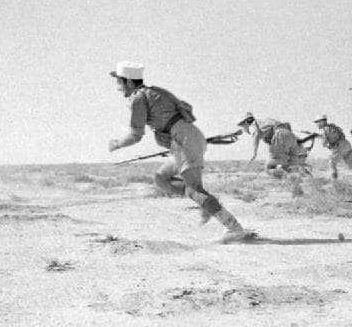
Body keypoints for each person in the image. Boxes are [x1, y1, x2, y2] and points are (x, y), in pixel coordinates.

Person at [108, 62, 252, 243]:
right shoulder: (155, 92)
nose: (118, 88)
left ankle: (234, 228)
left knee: (194, 190)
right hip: (185, 139)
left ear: (128, 82)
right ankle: (207, 203)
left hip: (185, 141)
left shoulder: (139, 98)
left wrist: (116, 144)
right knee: (161, 178)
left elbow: (136, 135)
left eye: (119, 83)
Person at [237, 113, 309, 176]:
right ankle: (309, 179)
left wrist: (254, 153)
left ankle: (290, 179)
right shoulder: (265, 121)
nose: (243, 130)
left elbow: (256, 135)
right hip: (290, 135)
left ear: (246, 122)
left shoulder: (253, 124)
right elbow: (287, 126)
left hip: (279, 135)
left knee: (269, 168)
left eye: (242, 126)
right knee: (289, 166)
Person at [312, 115, 352, 180]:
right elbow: (334, 136)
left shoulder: (324, 130)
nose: (317, 124)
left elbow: (324, 144)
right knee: (350, 165)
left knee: (331, 163)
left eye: (317, 122)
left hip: (340, 147)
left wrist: (319, 138)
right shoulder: (333, 126)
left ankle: (334, 181)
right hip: (347, 145)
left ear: (322, 122)